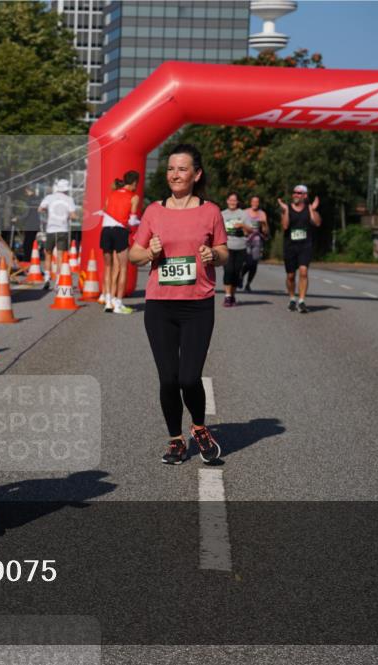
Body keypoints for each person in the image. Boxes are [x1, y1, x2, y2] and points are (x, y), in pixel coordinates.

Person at [128, 144, 227, 466]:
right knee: (168, 378)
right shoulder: (154, 211)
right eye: (171, 168)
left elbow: (224, 251)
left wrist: (215, 254)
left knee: (189, 377)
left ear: (196, 174)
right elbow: (134, 254)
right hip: (160, 305)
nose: (175, 174)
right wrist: (149, 253)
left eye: (182, 169)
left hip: (197, 304)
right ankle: (175, 440)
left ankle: (199, 427)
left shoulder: (210, 211)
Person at [100, 170, 140, 314]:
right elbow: (132, 220)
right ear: (135, 182)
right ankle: (118, 303)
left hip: (105, 230)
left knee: (108, 267)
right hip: (120, 231)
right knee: (123, 267)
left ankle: (108, 301)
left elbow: (105, 210)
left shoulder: (111, 193)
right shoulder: (134, 197)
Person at [277, 184, 321, 313]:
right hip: (290, 246)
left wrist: (313, 209)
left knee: (303, 272)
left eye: (299, 193)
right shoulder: (287, 209)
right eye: (294, 192)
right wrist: (285, 210)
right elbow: (285, 226)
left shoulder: (309, 209)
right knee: (290, 276)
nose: (296, 195)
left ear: (305, 196)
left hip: (305, 246)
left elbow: (317, 223)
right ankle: (292, 298)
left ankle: (301, 300)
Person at [38, 178, 77, 288]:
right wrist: (70, 216)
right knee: (60, 256)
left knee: (48, 254)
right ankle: (58, 280)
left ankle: (46, 277)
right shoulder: (69, 199)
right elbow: (73, 215)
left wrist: (49, 211)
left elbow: (40, 209)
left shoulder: (49, 198)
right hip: (62, 230)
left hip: (51, 229)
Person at [220, 192, 250, 307]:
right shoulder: (222, 214)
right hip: (226, 247)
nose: (232, 202)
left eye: (234, 200)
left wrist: (242, 226)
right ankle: (227, 296)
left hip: (240, 247)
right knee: (228, 271)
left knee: (236, 273)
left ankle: (232, 295)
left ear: (237, 202)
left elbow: (251, 230)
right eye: (230, 200)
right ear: (227, 201)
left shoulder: (243, 214)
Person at [242, 196, 268, 292]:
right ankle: (241, 276)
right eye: (253, 201)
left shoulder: (262, 214)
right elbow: (239, 224)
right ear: (250, 202)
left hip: (257, 240)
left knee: (254, 264)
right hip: (245, 240)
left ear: (259, 203)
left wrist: (264, 223)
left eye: (257, 202)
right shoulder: (245, 212)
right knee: (248, 262)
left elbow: (266, 231)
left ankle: (248, 284)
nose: (255, 203)